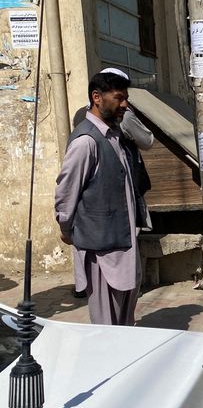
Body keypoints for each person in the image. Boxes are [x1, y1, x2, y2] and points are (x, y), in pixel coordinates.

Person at [55, 69, 150, 326]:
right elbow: (66, 192)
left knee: (124, 319)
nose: (125, 104)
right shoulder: (86, 141)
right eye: (119, 98)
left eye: (126, 98)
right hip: (101, 250)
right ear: (97, 97)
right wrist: (66, 228)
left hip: (123, 243)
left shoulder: (116, 135)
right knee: (105, 325)